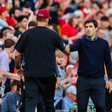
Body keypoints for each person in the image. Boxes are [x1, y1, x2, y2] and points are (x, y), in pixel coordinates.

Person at [14, 8, 69, 112]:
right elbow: (65, 49)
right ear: (47, 20)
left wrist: (18, 67)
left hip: (31, 74)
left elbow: (17, 54)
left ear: (37, 18)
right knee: (48, 104)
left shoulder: (27, 33)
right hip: (48, 74)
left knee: (30, 102)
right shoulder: (53, 34)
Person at [68, 19, 112, 112]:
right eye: (86, 27)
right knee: (82, 108)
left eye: (91, 26)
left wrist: (110, 79)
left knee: (100, 106)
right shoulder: (80, 42)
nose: (88, 29)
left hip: (98, 80)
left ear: (96, 28)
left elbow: (108, 62)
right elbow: (71, 48)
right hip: (83, 79)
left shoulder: (104, 43)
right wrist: (64, 46)